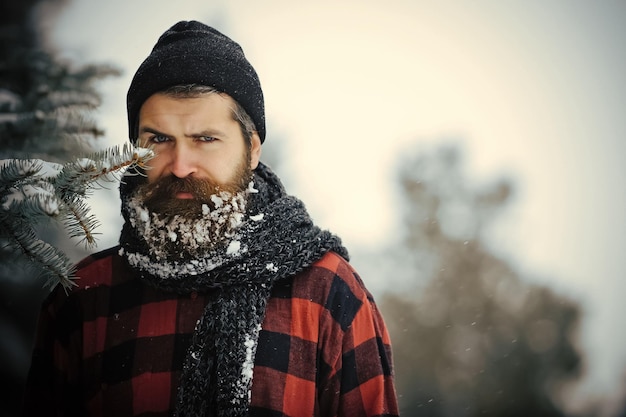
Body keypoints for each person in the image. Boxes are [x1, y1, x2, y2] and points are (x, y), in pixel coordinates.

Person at [22, 20, 399, 417]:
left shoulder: (326, 293)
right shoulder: (84, 296)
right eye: (159, 139)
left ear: (252, 149)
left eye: (205, 139)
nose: (181, 165)